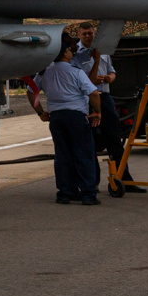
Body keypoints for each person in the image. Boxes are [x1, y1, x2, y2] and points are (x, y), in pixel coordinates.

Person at [30, 37, 103, 204]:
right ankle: (88, 194)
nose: (72, 52)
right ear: (64, 53)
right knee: (83, 155)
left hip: (56, 118)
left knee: (62, 156)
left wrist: (40, 111)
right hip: (76, 117)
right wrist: (98, 111)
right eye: (70, 50)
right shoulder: (75, 71)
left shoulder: (45, 71)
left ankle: (65, 192)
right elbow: (93, 93)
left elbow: (30, 91)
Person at [74, 23, 144, 194]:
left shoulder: (103, 50)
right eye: (84, 34)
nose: (88, 37)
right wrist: (92, 81)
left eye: (90, 33)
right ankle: (92, 183)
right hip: (87, 100)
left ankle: (124, 179)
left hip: (105, 98)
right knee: (89, 143)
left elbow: (112, 71)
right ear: (79, 35)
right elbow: (81, 79)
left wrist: (110, 78)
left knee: (115, 139)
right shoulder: (76, 53)